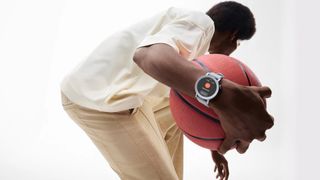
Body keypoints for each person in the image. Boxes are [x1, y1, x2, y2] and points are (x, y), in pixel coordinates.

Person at [60, 1, 274, 180]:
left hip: (119, 96)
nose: (235, 48)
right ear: (233, 34)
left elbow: (189, 98)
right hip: (98, 103)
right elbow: (149, 56)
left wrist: (213, 143)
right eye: (238, 42)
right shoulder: (200, 24)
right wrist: (219, 92)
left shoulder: (190, 42)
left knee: (178, 104)